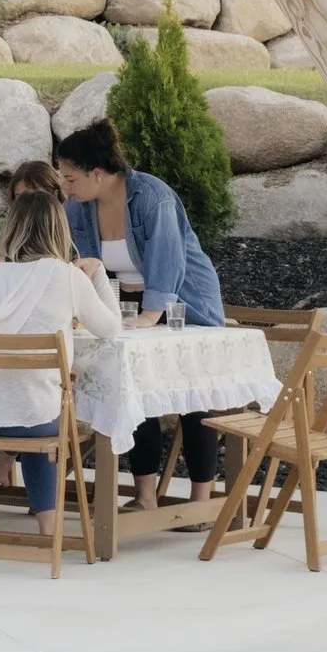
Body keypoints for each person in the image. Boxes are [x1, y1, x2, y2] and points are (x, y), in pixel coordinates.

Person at [52, 116, 226, 512]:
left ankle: (200, 503)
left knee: (193, 394)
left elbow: (168, 261)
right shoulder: (78, 207)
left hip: (185, 302)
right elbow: (84, 262)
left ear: (97, 174)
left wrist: (151, 315)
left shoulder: (152, 196)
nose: (65, 186)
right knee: (133, 389)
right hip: (129, 308)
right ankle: (145, 497)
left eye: (70, 178)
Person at [0, 161, 120, 539]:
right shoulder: (66, 275)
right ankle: (49, 528)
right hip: (33, 416)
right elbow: (110, 328)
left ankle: (40, 520)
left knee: (36, 402)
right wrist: (98, 273)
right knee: (42, 411)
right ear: (58, 227)